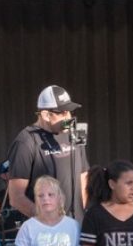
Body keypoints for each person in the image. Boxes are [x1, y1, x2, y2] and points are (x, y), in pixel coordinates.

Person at [5, 85, 89, 222]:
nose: (68, 117)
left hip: (76, 225)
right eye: (62, 113)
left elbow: (84, 176)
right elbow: (16, 197)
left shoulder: (74, 133)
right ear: (46, 115)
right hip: (46, 230)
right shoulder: (26, 141)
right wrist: (46, 220)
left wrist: (81, 213)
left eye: (69, 112)